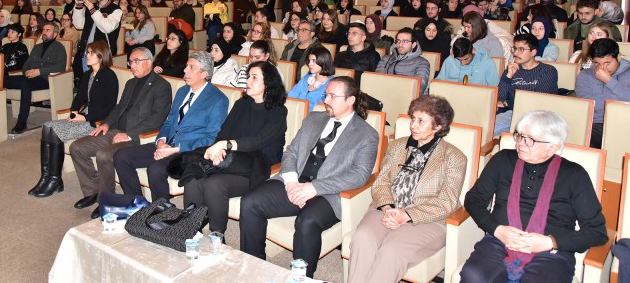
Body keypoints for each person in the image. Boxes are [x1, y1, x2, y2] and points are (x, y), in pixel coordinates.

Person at [239, 76, 380, 278]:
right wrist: (291, 182)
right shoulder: (314, 119)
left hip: (329, 194)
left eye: (332, 96)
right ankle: (254, 266)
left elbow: (359, 175)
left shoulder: (367, 134)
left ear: (351, 100)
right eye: (326, 95)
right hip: (295, 181)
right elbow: (291, 152)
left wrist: (314, 188)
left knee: (307, 221)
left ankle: (302, 278)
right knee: (250, 201)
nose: (326, 100)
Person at [461, 111, 608, 282]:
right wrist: (497, 229)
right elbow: (474, 199)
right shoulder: (503, 159)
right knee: (474, 275)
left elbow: (596, 232)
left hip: (550, 253)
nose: (520, 143)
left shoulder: (575, 175)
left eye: (529, 140)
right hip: (500, 241)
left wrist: (551, 242)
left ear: (552, 147)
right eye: (520, 136)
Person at [348, 94, 465, 282]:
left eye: (421, 121)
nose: (413, 125)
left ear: (438, 127)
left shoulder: (454, 157)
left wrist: (407, 215)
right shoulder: (397, 146)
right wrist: (388, 208)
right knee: (362, 239)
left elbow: (447, 202)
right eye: (412, 118)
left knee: (391, 250)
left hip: (428, 219)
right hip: (386, 209)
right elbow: (381, 182)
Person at [182, 62, 288, 235]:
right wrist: (220, 149)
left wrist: (226, 145)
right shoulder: (241, 104)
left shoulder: (278, 111)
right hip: (230, 161)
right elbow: (224, 133)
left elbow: (259, 141)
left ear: (268, 83)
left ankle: (217, 236)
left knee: (214, 184)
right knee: (193, 177)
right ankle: (190, 230)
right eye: (248, 77)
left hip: (256, 167)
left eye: (254, 77)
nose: (248, 81)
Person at [69, 47, 172, 216]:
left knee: (104, 154)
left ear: (149, 63)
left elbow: (158, 119)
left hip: (137, 137)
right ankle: (92, 192)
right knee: (77, 148)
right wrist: (106, 124)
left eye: (136, 61)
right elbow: (119, 108)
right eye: (130, 62)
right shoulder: (131, 83)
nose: (132, 65)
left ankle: (105, 198)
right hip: (115, 130)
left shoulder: (161, 86)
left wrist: (129, 134)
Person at [114, 51, 228, 202]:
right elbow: (169, 122)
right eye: (186, 65)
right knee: (121, 156)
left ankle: (161, 209)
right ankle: (136, 202)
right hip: (167, 144)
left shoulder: (218, 99)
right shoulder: (182, 91)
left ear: (204, 74)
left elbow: (211, 138)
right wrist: (161, 141)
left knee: (155, 169)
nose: (185, 70)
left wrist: (174, 149)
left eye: (192, 67)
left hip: (189, 151)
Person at [28, 41, 119, 198]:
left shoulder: (109, 76)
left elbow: (109, 107)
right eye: (87, 52)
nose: (87, 55)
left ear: (101, 55)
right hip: (83, 117)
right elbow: (79, 97)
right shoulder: (88, 75)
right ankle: (46, 177)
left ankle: (54, 180)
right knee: (47, 126)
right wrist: (74, 111)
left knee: (54, 131)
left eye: (91, 53)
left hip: (95, 122)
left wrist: (85, 117)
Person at [6, 22, 68, 134]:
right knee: (3, 80)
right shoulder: (37, 47)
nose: (44, 32)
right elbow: (26, 64)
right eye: (43, 30)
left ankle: (22, 123)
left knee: (25, 84)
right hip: (30, 77)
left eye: (48, 30)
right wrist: (27, 72)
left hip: (46, 79)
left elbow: (61, 67)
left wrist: (39, 71)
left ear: (55, 34)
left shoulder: (59, 48)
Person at [495, 34, 559, 136]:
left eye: (521, 49)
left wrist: (506, 103)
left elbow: (538, 101)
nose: (515, 53)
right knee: (488, 129)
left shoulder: (548, 71)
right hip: (512, 113)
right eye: (515, 49)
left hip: (538, 117)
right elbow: (498, 98)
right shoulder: (512, 69)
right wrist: (508, 76)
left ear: (533, 52)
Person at [575, 38, 630, 148]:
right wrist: (619, 97)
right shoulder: (585, 75)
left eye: (607, 63)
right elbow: (587, 105)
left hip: (625, 121)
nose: (602, 68)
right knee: (583, 139)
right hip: (596, 123)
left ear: (619, 57)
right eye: (597, 63)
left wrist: (609, 81)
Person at [72, 0, 123, 79]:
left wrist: (93, 10)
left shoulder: (116, 9)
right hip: (86, 50)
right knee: (86, 80)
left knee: (98, 81)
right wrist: (78, 7)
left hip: (101, 54)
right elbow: (78, 25)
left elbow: (107, 28)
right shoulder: (91, 7)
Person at [376, 28, 432, 94]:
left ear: (413, 45)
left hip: (408, 98)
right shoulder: (385, 59)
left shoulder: (422, 63)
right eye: (398, 41)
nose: (400, 45)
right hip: (385, 95)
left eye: (405, 41)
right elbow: (377, 81)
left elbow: (418, 89)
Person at [288, 46, 335, 111]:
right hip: (296, 111)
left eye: (314, 61)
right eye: (309, 60)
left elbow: (321, 110)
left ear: (324, 61)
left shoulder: (331, 85)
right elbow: (292, 95)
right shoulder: (307, 77)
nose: (310, 64)